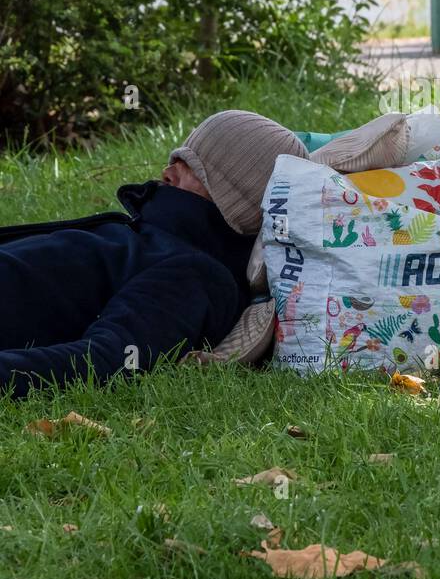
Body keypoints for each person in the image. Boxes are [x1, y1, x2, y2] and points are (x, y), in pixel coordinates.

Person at [0, 110, 307, 398]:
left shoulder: (197, 274)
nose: (168, 171)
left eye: (193, 166)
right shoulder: (159, 238)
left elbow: (105, 358)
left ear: (233, 201)